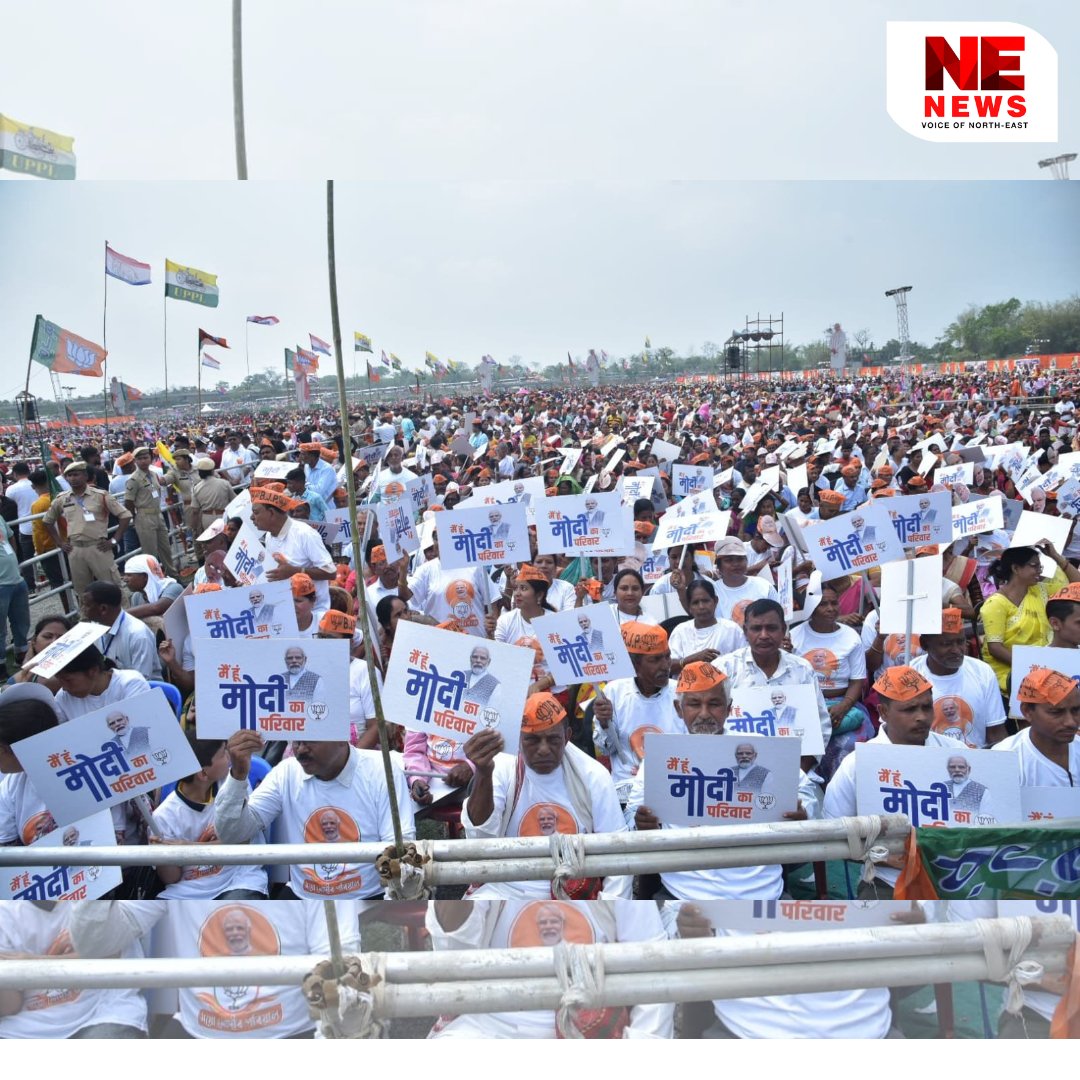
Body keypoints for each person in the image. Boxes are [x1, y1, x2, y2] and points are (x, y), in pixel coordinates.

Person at [627, 662, 818, 900]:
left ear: (729, 708)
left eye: (714, 704)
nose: (704, 714)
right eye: (694, 704)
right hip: (683, 893)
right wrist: (643, 823)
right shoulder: (663, 755)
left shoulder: (759, 748)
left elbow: (807, 793)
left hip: (761, 890)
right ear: (679, 708)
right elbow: (633, 816)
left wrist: (803, 812)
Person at [68, 900, 361, 1040]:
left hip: (293, 1034)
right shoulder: (175, 864)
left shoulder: (310, 878)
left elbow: (339, 963)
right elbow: (96, 943)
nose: (234, 934)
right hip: (197, 1034)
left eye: (239, 928)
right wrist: (99, 881)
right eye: (229, 928)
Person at [460, 692, 629, 898]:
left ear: (567, 737)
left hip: (572, 889)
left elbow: (618, 850)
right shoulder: (501, 766)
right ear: (519, 738)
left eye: (553, 739)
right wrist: (483, 773)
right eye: (532, 740)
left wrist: (611, 910)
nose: (543, 750)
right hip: (507, 886)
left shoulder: (593, 775)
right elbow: (479, 839)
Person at [425, 899, 673, 1038]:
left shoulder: (612, 887)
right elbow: (453, 955)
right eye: (543, 922)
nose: (548, 927)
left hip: (589, 1028)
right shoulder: (491, 884)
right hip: (490, 1025)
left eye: (554, 921)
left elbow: (653, 964)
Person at [215, 728, 414, 899]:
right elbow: (233, 834)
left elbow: (399, 846)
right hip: (303, 897)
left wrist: (388, 909)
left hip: (369, 897)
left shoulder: (381, 770)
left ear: (340, 738)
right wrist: (238, 775)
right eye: (296, 741)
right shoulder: (286, 773)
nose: (300, 749)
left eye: (310, 740)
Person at [822, 665, 965, 898]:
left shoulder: (957, 753)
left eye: (927, 707)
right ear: (884, 712)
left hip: (956, 877)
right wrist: (885, 856)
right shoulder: (858, 764)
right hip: (886, 881)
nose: (921, 717)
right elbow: (836, 833)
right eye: (909, 710)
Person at [0, 899, 152, 1039]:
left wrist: (34, 964)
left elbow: (108, 952)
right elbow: (11, 1005)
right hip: (23, 1026)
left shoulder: (96, 880)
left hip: (102, 1013)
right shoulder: (6, 910)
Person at [152, 732, 269, 899]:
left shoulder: (234, 784)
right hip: (189, 889)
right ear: (203, 774)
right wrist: (162, 856)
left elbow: (242, 839)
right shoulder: (162, 817)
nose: (230, 756)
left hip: (237, 879)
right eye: (223, 753)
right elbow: (171, 878)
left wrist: (188, 849)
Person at [714, 599, 832, 758]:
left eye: (771, 628)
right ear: (745, 631)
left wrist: (800, 770)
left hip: (795, 766)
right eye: (756, 629)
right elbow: (711, 722)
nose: (763, 635)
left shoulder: (802, 669)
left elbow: (820, 725)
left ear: (783, 630)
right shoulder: (723, 669)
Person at [790, 579, 871, 782]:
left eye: (834, 603)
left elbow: (857, 680)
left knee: (851, 745)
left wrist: (843, 706)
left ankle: (841, 791)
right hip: (807, 707)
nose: (830, 609)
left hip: (844, 704)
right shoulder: (794, 636)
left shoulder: (851, 637)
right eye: (822, 604)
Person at [592, 622, 683, 800]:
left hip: (673, 787)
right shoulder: (613, 692)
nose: (666, 666)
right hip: (626, 790)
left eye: (667, 657)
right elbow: (605, 749)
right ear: (635, 665)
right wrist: (604, 723)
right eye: (655, 660)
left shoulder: (683, 693)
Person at [980, 542, 1078, 692]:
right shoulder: (995, 603)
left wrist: (1055, 556)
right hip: (1011, 674)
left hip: (1046, 668)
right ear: (1016, 568)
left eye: (1040, 566)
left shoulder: (1040, 590)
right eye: (1034, 566)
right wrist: (1030, 668)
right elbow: (995, 647)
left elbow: (1076, 585)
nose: (1039, 571)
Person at [909, 608, 1007, 747]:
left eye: (960, 642)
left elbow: (996, 733)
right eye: (946, 644)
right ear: (925, 644)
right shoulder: (911, 675)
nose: (956, 650)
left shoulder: (982, 672)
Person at [41, 460, 130, 598]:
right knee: (83, 591)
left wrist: (114, 540)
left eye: (76, 474)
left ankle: (123, 614)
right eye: (69, 475)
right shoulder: (62, 498)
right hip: (75, 550)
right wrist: (60, 542)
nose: (72, 478)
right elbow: (47, 521)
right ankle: (87, 618)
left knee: (112, 586)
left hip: (99, 547)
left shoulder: (100, 495)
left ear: (85, 475)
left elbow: (125, 515)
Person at [251, 488, 336, 612]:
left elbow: (331, 572)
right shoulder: (269, 536)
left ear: (271, 513)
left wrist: (296, 571)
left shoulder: (305, 534)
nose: (252, 517)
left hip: (314, 613)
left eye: (256, 512)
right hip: (286, 610)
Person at [994, 665, 1080, 786]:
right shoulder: (1004, 759)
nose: (1070, 722)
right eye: (1056, 712)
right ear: (1027, 711)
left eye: (1076, 710)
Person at [81, 580, 162, 680]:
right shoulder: (93, 628)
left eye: (86, 605)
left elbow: (140, 682)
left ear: (103, 609)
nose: (83, 609)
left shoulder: (138, 635)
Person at [51, 644, 151, 724]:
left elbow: (140, 724)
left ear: (93, 671)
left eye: (68, 680)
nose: (64, 688)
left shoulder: (130, 683)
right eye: (59, 680)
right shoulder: (63, 698)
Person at [667, 577, 743, 675]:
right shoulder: (680, 631)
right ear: (689, 607)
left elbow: (744, 663)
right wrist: (694, 659)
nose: (701, 607)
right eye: (695, 603)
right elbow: (668, 667)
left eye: (706, 601)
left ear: (715, 601)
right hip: (688, 689)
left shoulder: (732, 629)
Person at [124, 447, 177, 577]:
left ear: (151, 458)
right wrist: (135, 516)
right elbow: (128, 501)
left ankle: (172, 575)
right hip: (144, 515)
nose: (143, 461)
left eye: (146, 457)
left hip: (157, 514)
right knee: (150, 554)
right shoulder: (134, 479)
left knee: (166, 549)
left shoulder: (153, 474)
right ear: (135, 461)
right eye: (139, 459)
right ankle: (155, 579)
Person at [711, 536, 778, 626]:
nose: (735, 564)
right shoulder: (712, 592)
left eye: (740, 559)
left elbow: (779, 617)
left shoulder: (764, 586)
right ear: (719, 566)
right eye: (729, 560)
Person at [4, 614, 68, 691]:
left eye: (61, 638)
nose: (54, 642)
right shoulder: (15, 681)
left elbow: (45, 682)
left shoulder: (80, 672)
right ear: (34, 641)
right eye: (47, 636)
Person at [0, 515, 30, 671]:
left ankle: (22, 656)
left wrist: (14, 557)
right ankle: (1, 666)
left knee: (22, 622)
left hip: (16, 579)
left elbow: (11, 537)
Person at [122, 553, 184, 621]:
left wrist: (119, 615)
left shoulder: (173, 588)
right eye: (125, 575)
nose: (125, 579)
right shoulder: (136, 597)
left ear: (145, 576)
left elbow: (157, 608)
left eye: (129, 575)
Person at [191, 457, 234, 534]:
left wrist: (194, 528)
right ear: (212, 471)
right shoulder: (224, 483)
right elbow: (234, 500)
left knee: (211, 543)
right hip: (223, 516)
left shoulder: (196, 488)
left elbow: (195, 511)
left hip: (207, 518)